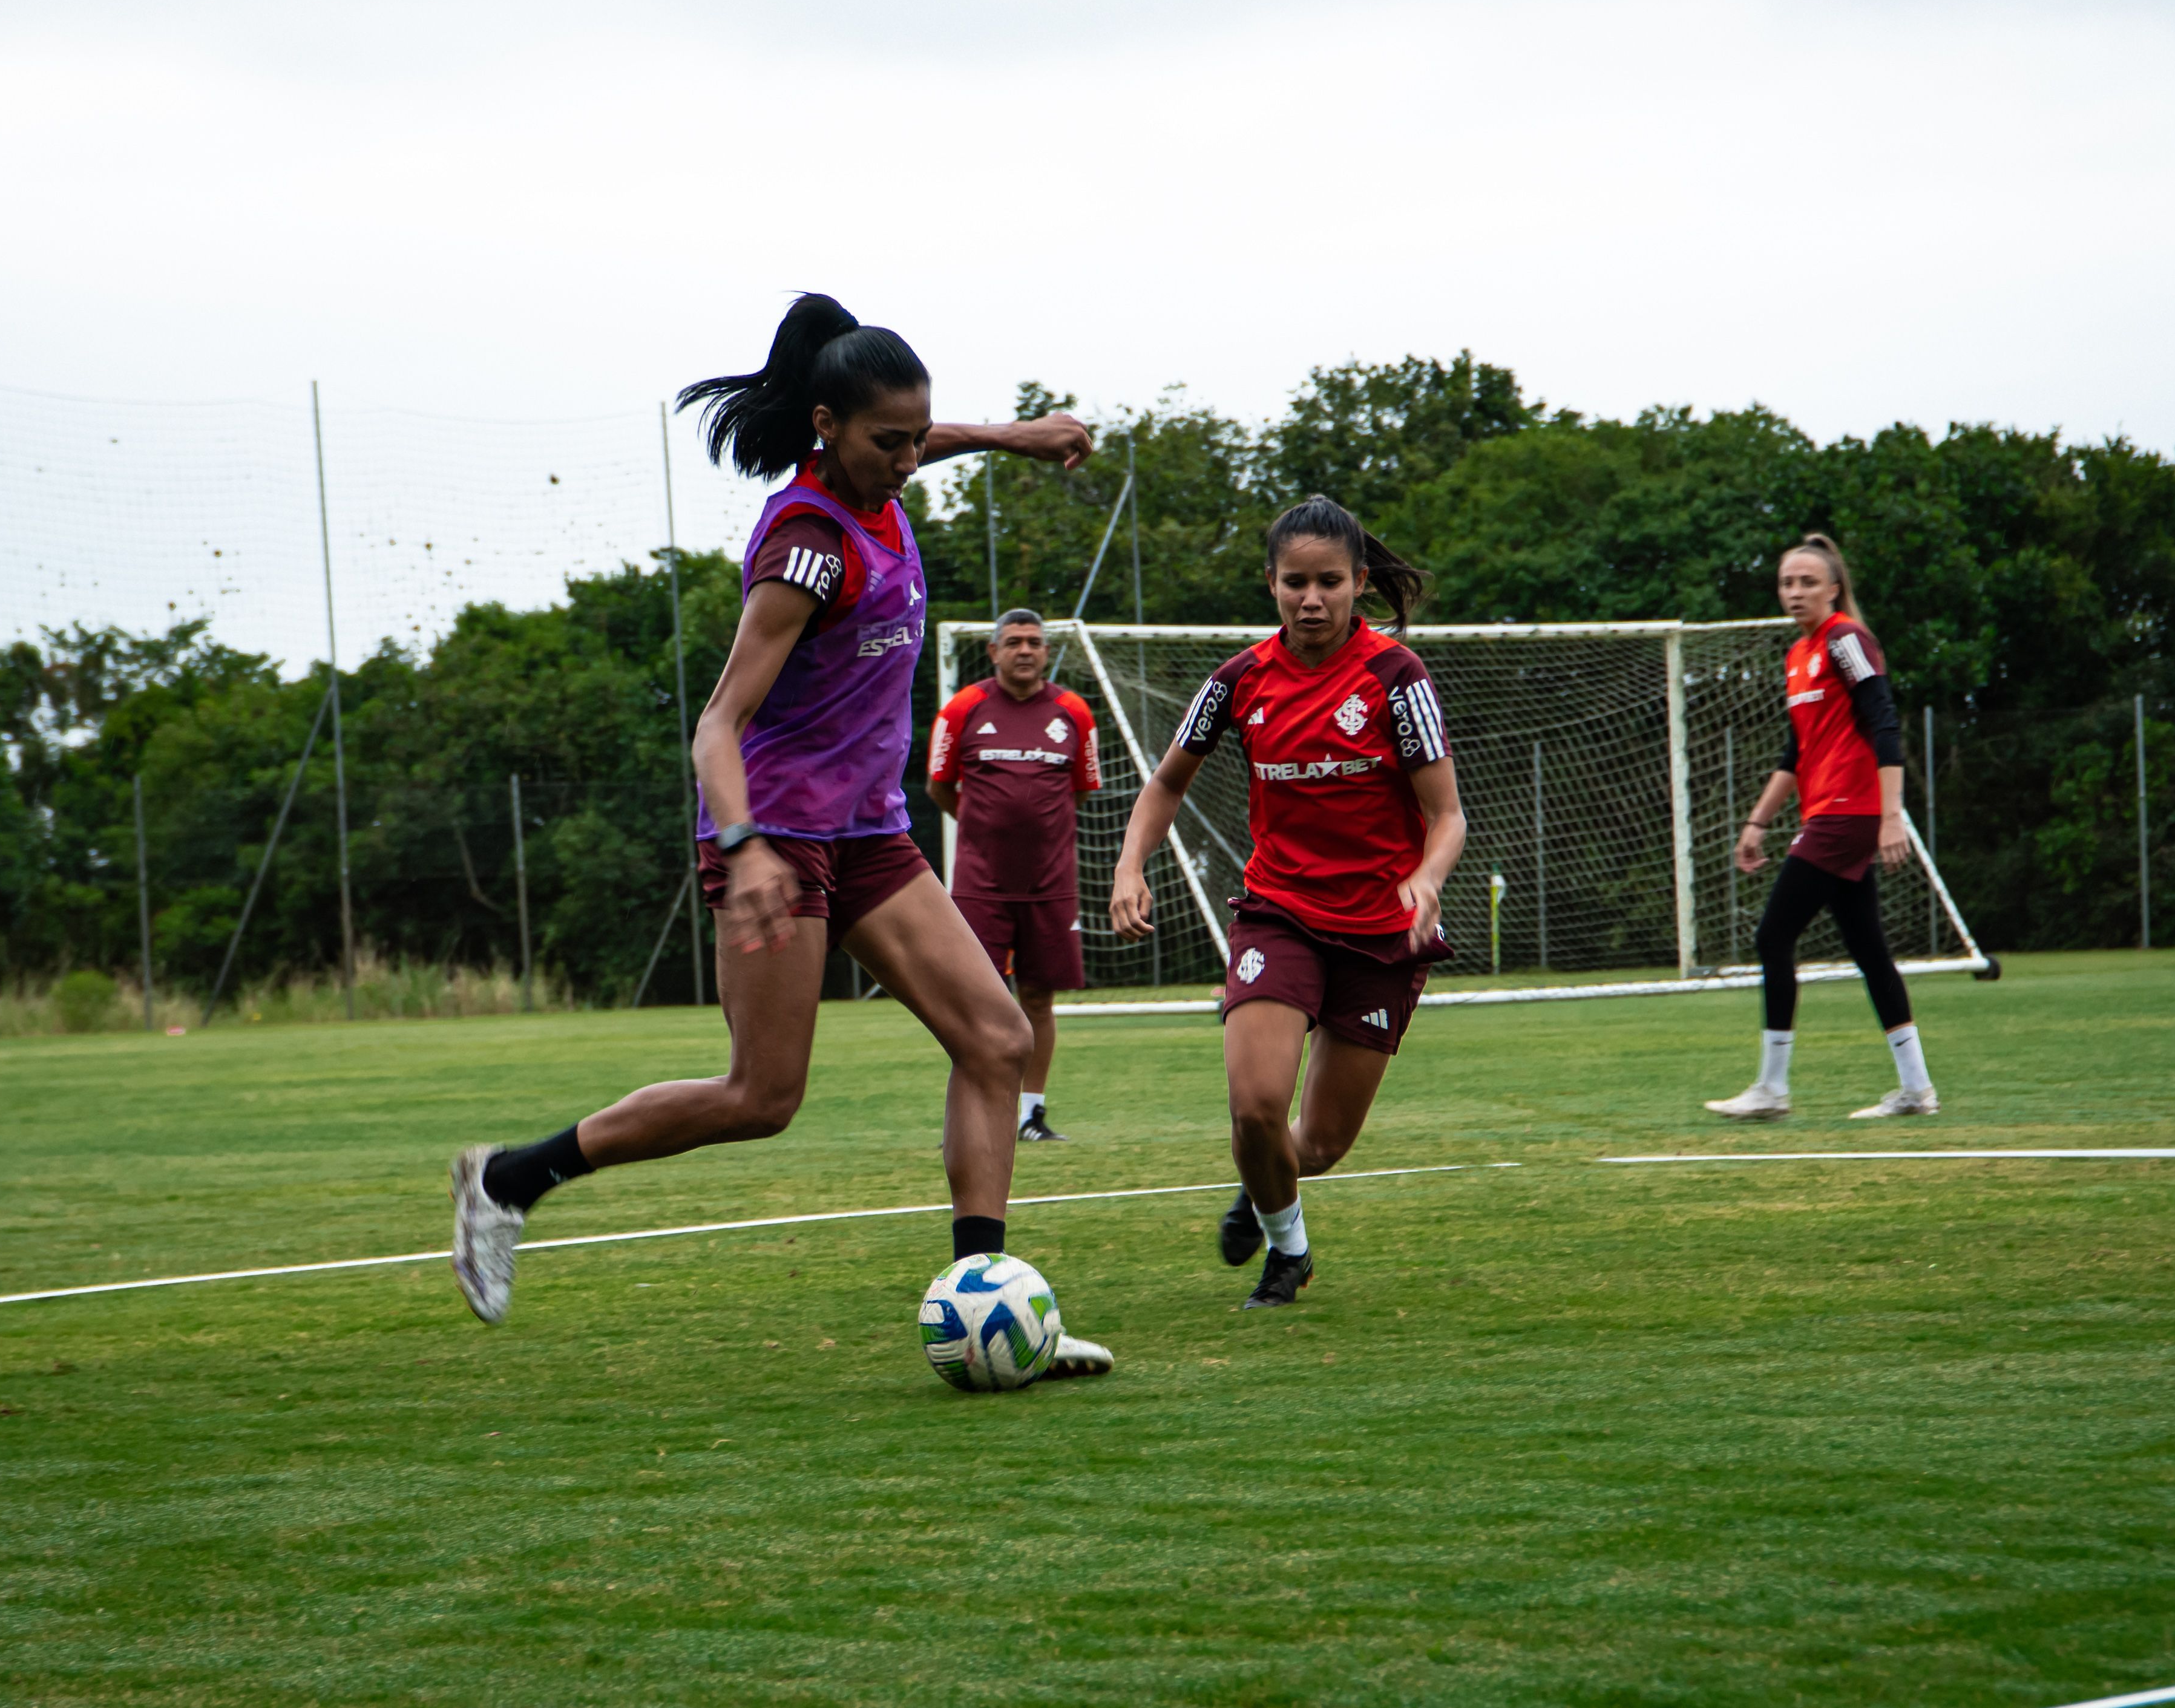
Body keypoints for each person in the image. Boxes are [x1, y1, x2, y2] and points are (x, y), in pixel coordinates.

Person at [448, 293, 1111, 1378]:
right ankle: (507, 1180)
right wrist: (746, 841)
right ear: (825, 427)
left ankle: (987, 1300)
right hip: (777, 838)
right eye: (885, 440)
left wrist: (1014, 437)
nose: (906, 458)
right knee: (762, 1098)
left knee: (995, 1041)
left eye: (915, 435)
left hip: (867, 835)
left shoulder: (881, 476)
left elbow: (921, 441)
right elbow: (719, 722)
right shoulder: (806, 546)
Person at [1109, 497, 1465, 1309]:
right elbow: (1164, 781)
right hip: (1278, 913)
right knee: (1256, 1106)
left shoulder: (1394, 679)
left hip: (1382, 930)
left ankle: (1262, 1186)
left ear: (1358, 583)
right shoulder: (1236, 680)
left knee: (1320, 1143)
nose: (1311, 598)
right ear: (1270, 584)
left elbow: (1446, 815)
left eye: (1329, 582)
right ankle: (1288, 1249)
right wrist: (1131, 863)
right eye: (1294, 582)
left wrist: (1428, 876)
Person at [1707, 532, 1940, 1122]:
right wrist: (1755, 822)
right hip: (1831, 812)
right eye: (1787, 582)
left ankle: (1771, 1090)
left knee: (1771, 936)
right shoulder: (1797, 656)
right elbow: (1794, 754)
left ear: (1833, 589)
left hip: (1849, 813)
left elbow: (1883, 723)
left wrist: (1891, 816)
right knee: (1867, 949)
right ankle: (1916, 1089)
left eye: (1807, 582)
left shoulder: (1845, 640)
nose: (1794, 592)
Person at [928, 608, 1100, 1143]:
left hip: (1051, 885)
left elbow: (1078, 790)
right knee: (977, 1001)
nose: (1025, 650)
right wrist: (986, 829)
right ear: (993, 651)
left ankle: (1031, 1115)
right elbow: (939, 786)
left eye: (1034, 642)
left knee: (1038, 999)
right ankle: (973, 1113)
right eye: (1014, 642)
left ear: (1046, 651)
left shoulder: (1074, 712)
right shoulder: (962, 709)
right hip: (980, 885)